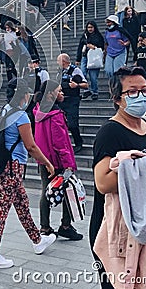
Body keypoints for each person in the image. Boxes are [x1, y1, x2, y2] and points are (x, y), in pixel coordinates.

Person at [89, 66, 146, 288]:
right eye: (133, 92)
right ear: (117, 99)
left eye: (145, 90)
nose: (142, 96)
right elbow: (102, 183)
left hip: (142, 222)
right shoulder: (110, 132)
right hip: (115, 231)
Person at [0, 78, 56, 270]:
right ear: (23, 95)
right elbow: (31, 146)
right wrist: (47, 162)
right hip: (13, 168)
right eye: (28, 94)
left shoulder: (5, 111)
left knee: (22, 205)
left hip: (6, 167)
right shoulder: (21, 116)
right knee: (1, 212)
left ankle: (37, 240)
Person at [34, 80, 83, 241]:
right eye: (59, 91)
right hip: (57, 161)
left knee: (45, 191)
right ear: (50, 94)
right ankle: (66, 226)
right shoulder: (55, 115)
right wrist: (68, 164)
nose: (62, 93)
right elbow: (61, 143)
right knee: (69, 190)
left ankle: (45, 227)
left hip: (44, 159)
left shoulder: (39, 111)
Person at [57, 53, 88, 154]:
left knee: (72, 123)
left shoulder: (75, 70)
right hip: (62, 100)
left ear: (64, 62)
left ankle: (78, 143)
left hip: (72, 100)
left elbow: (86, 85)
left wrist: (77, 85)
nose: (57, 63)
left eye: (59, 61)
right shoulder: (59, 72)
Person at [76, 21, 104, 100]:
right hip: (85, 56)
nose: (90, 29)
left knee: (93, 77)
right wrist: (78, 58)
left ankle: (95, 91)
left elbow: (101, 46)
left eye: (91, 27)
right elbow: (80, 46)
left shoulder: (98, 36)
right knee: (83, 73)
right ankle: (86, 90)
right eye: (88, 27)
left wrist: (94, 46)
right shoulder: (84, 36)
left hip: (94, 57)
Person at [22, 55, 49, 134]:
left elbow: (45, 86)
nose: (30, 65)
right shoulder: (26, 73)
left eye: (32, 63)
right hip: (28, 99)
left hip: (38, 99)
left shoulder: (42, 73)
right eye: (29, 63)